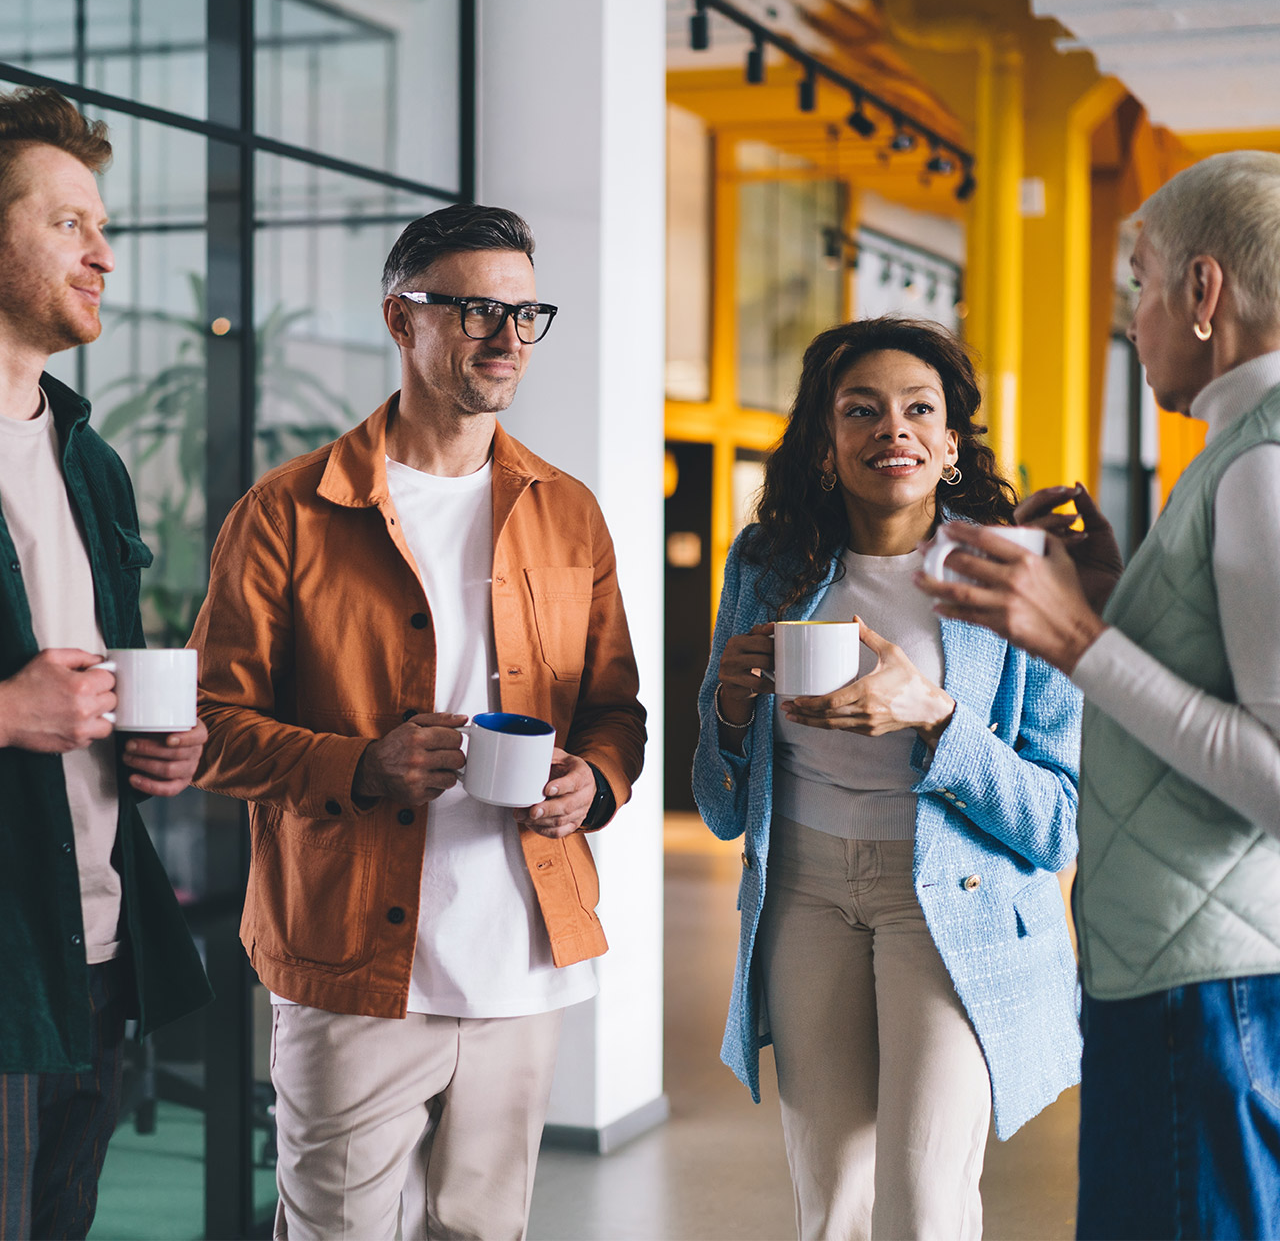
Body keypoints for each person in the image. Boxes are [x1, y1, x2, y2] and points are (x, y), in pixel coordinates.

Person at [188, 203, 646, 1240]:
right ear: (403, 319)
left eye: (527, 314)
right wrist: (361, 762)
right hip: (350, 963)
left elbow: (616, 708)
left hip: (523, 959)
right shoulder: (288, 510)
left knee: (484, 1231)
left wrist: (598, 781)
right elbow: (212, 724)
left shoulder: (567, 509)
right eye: (478, 308)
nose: (507, 339)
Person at [917, 151, 1280, 1240]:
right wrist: (1120, 596)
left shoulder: (1260, 463)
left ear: (1202, 291)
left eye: (1140, 281)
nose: (1132, 317)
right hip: (1184, 969)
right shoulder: (1231, 454)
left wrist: (1076, 636)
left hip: (1199, 983)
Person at [693, 316, 1082, 1241]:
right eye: (860, 410)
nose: (891, 430)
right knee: (829, 1205)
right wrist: (732, 709)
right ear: (826, 442)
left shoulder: (1017, 575)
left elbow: (1059, 820)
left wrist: (937, 718)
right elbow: (717, 802)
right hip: (803, 892)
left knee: (924, 1205)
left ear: (950, 444)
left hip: (955, 900)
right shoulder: (767, 567)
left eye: (918, 410)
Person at [0, 87, 212, 1240]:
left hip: (96, 947)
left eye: (102, 224)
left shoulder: (96, 463)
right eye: (68, 222)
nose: (105, 255)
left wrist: (157, 735)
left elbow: (89, 682)